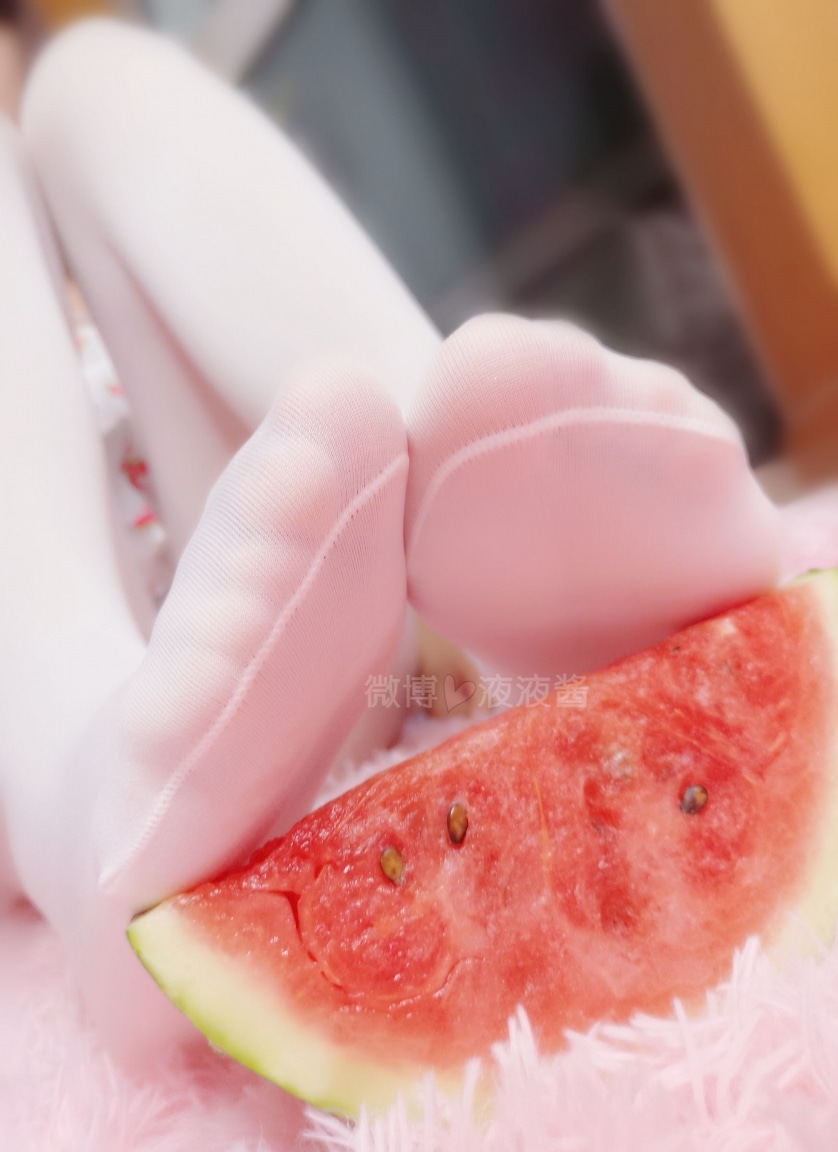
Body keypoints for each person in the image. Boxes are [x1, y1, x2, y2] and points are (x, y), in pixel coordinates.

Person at [0, 17, 831, 1074]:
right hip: (72, 721)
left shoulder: (122, 279)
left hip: (326, 642)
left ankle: (464, 460)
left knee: (96, 84)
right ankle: (82, 804)